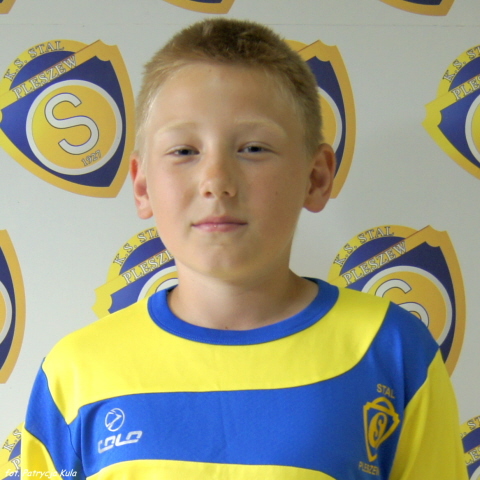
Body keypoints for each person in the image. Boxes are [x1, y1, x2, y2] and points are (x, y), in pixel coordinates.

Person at [22, 18, 468, 480]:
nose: (216, 181)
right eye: (184, 151)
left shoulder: (391, 351)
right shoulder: (75, 373)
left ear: (316, 177)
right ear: (142, 185)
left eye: (253, 148)